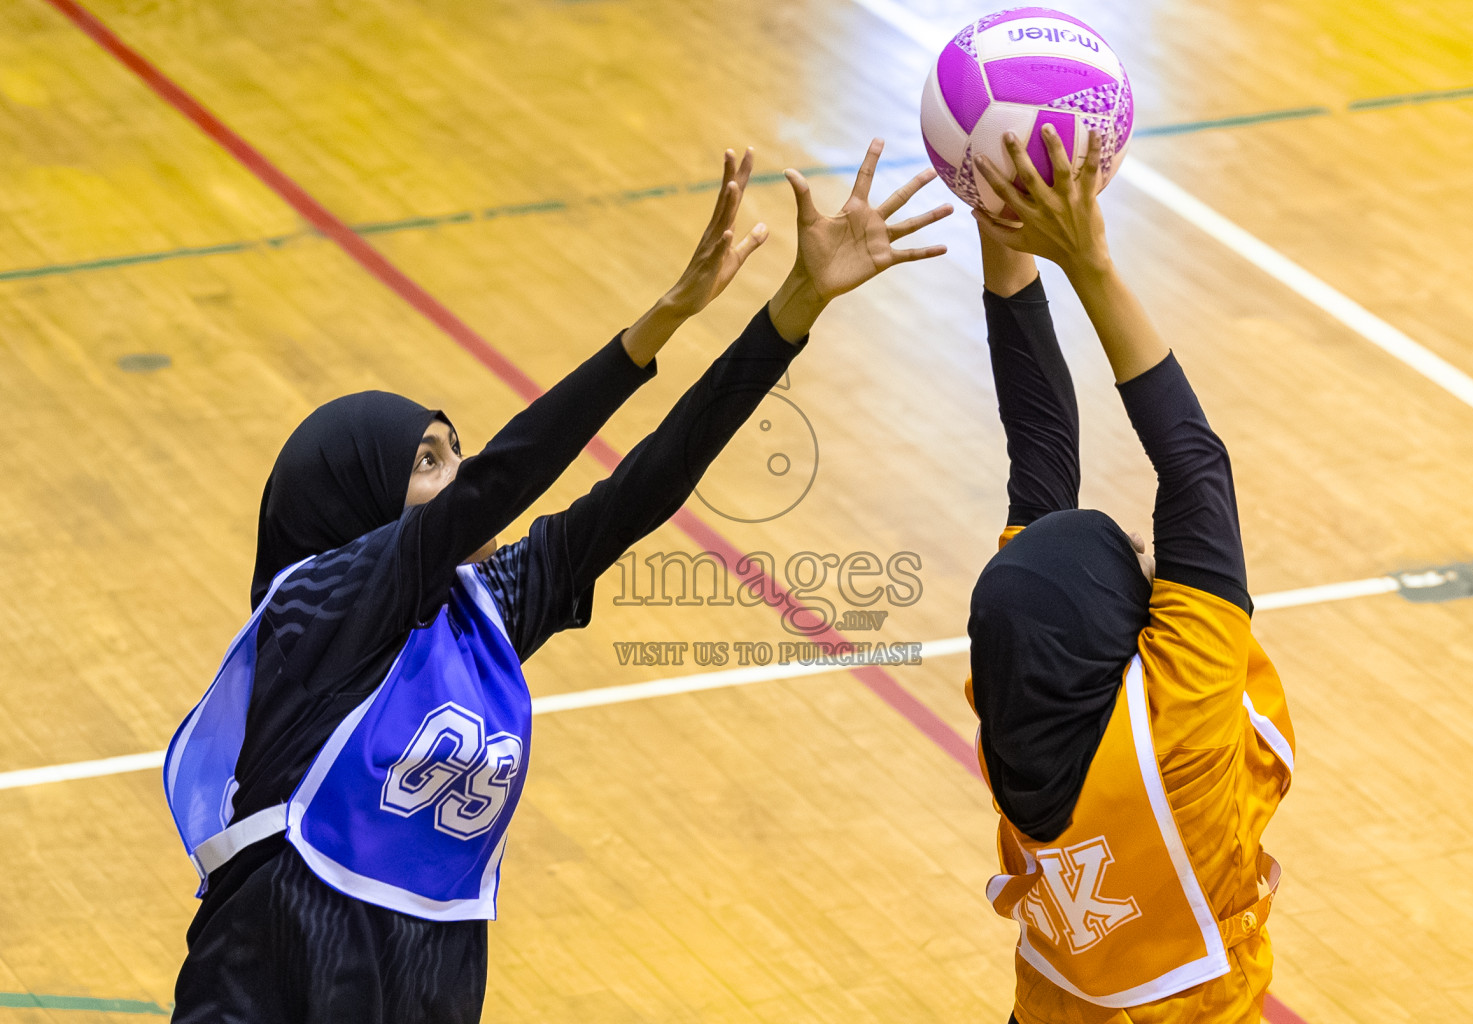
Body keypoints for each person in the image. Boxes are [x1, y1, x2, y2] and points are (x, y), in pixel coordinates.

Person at [163, 140, 952, 1023]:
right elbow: (512, 474)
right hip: (274, 978)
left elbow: (641, 491)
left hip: (427, 975)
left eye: (457, 450)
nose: (459, 476)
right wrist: (658, 323)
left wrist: (792, 308)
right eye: (429, 461)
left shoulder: (483, 608)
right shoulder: (320, 608)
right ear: (357, 495)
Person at [964, 124, 1295, 1024]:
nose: (1150, 559)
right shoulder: (1177, 726)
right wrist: (1089, 261)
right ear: (1112, 635)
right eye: (1133, 566)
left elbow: (1039, 447)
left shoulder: (1021, 686)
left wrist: (1003, 233)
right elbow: (1194, 468)